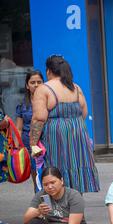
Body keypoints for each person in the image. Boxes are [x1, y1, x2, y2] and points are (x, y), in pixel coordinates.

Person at [29, 55, 99, 193]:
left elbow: (39, 118)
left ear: (48, 71)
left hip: (56, 137)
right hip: (78, 133)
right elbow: (84, 112)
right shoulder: (75, 87)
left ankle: (59, 210)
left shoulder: (44, 89)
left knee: (55, 170)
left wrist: (33, 143)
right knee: (76, 167)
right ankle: (76, 208)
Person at [15, 70, 44, 192]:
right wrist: (16, 149)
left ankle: (53, 205)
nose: (36, 85)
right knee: (36, 177)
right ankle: (42, 205)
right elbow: (19, 129)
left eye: (39, 82)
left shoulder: (48, 102)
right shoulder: (22, 105)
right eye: (32, 82)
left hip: (45, 143)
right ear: (27, 85)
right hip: (29, 146)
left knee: (49, 175)